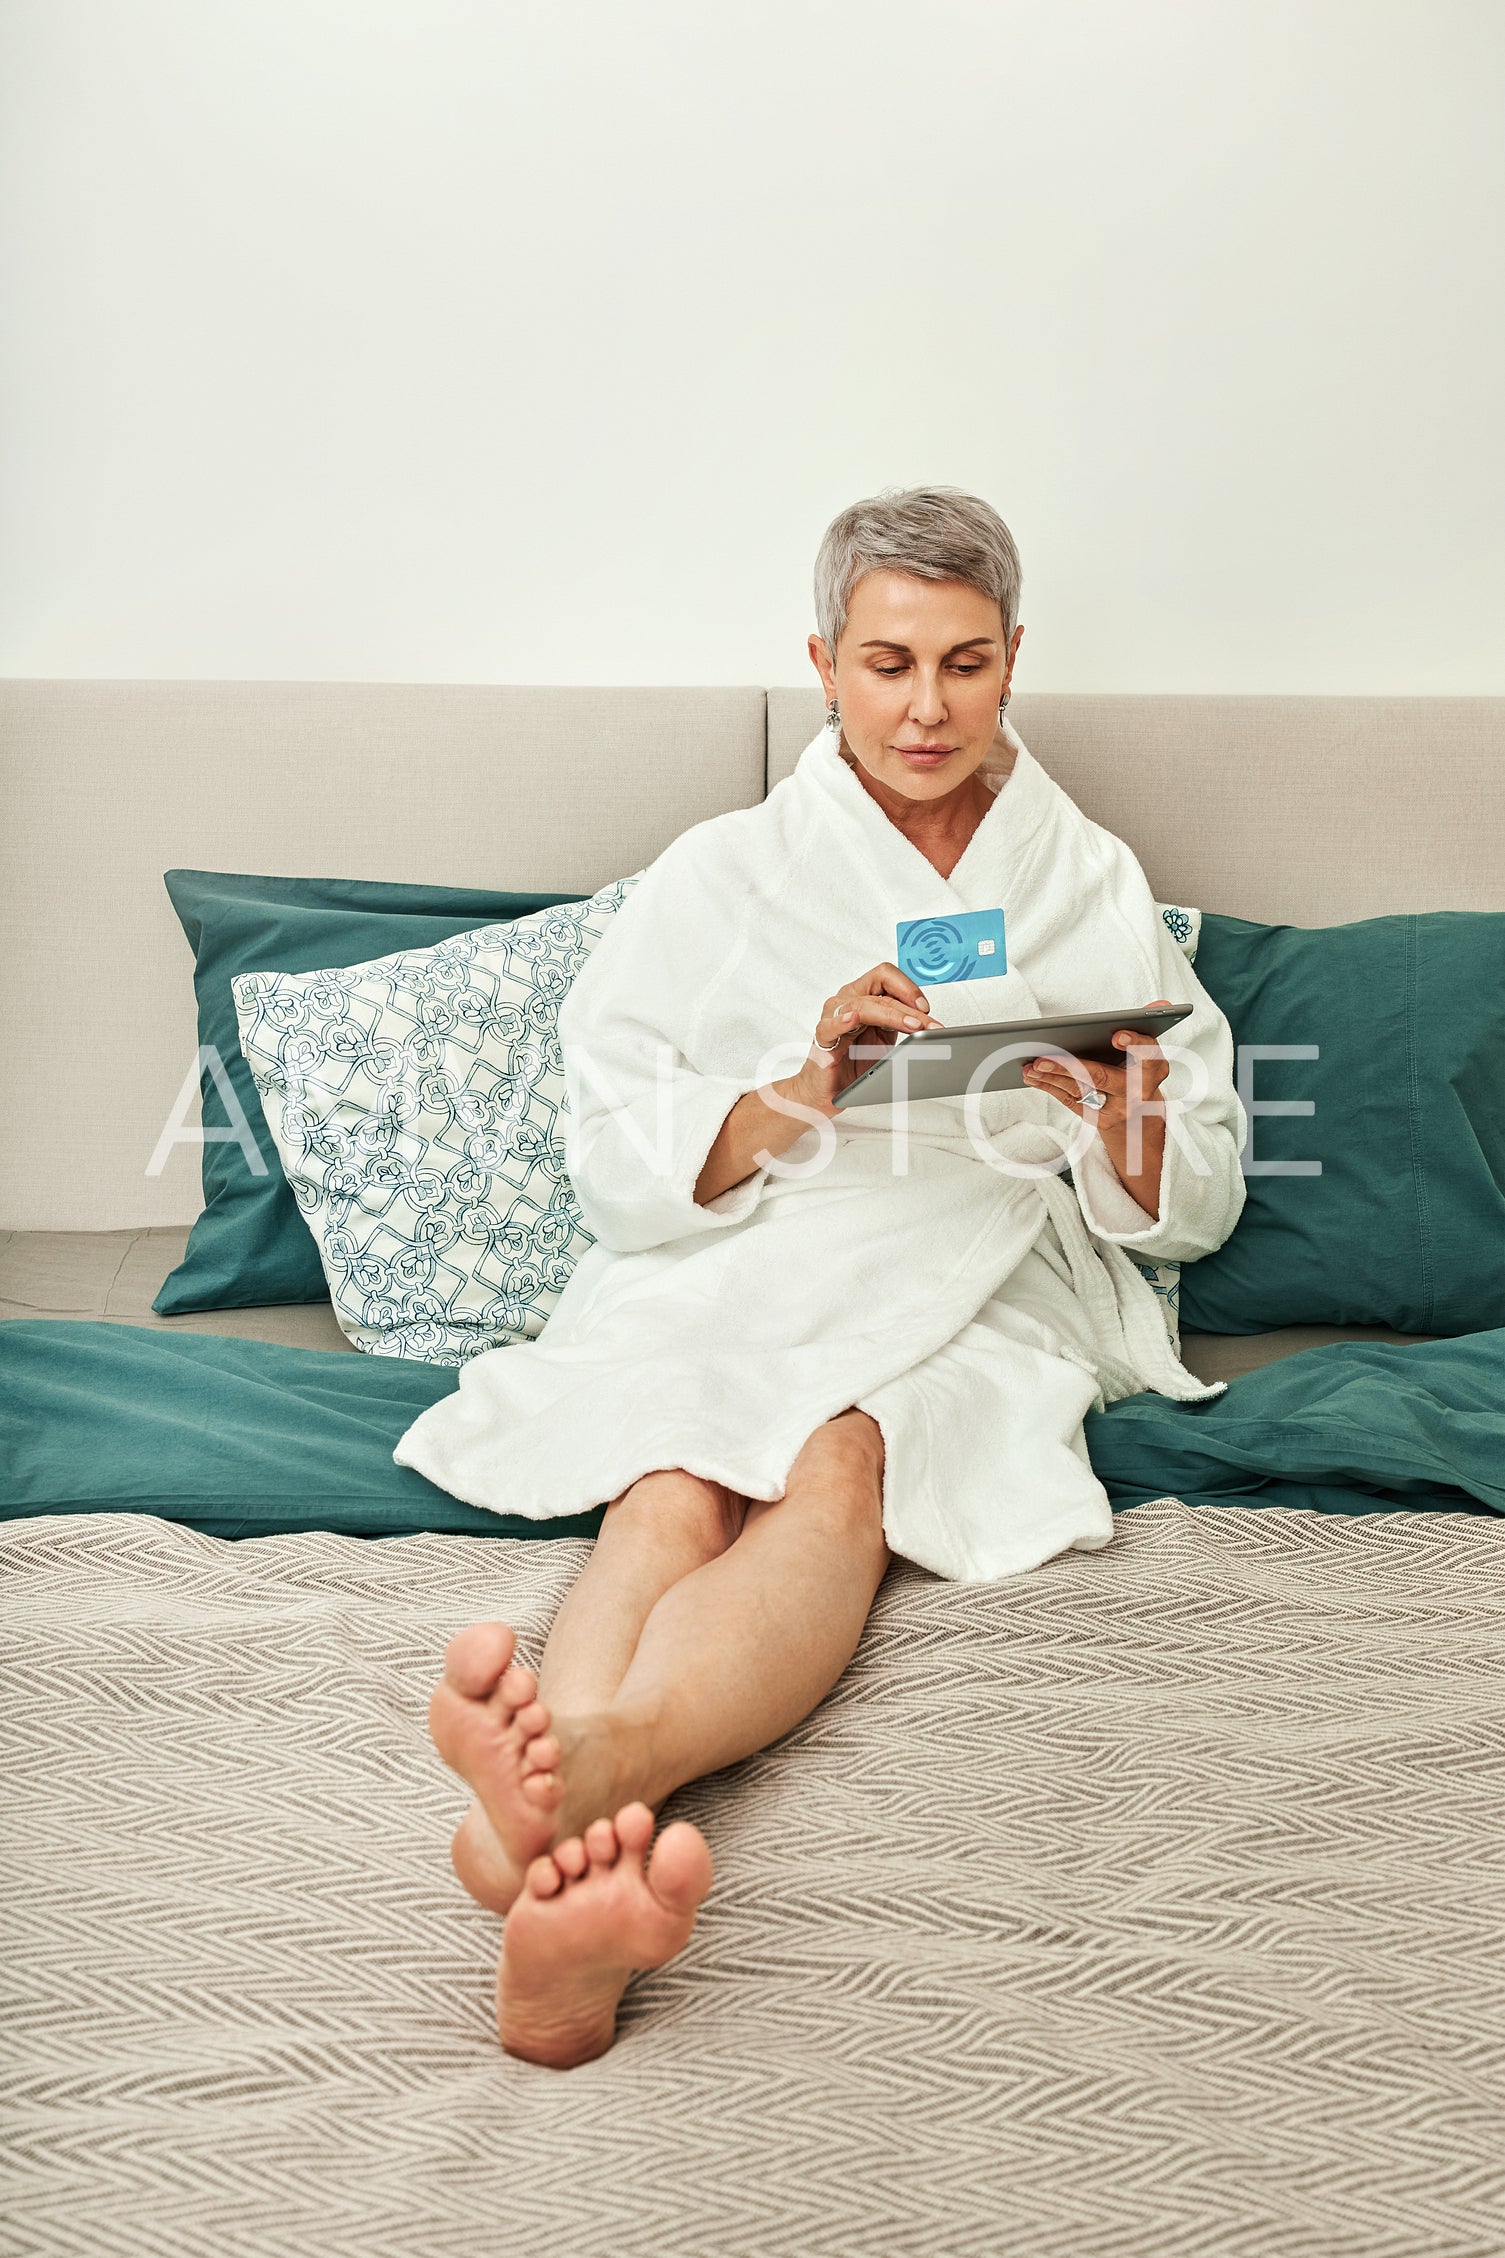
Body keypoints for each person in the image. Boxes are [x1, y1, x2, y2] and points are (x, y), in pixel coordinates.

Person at [399, 486, 1247, 2068]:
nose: (925, 706)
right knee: (672, 1475)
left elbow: (1191, 1186)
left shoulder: (1086, 873)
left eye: (965, 662)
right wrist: (807, 1081)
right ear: (820, 662)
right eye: (885, 662)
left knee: (839, 1448)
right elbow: (617, 1138)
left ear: (1013, 663)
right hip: (761, 1234)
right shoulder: (724, 873)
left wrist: (1128, 1131)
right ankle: (571, 1822)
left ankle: (554, 1809)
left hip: (980, 1251)